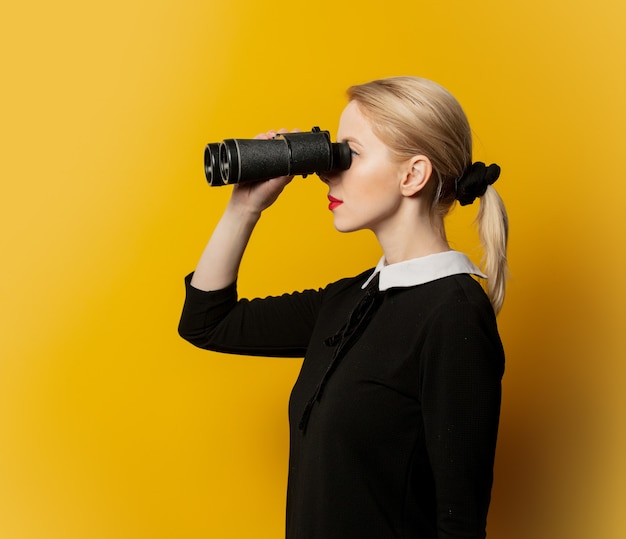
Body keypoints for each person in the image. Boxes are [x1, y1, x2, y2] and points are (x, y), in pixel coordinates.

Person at [178, 76, 508, 539]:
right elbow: (207, 323)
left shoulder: (453, 313)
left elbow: (460, 523)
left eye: (349, 154)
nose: (329, 172)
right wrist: (244, 208)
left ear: (412, 174)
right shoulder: (350, 301)